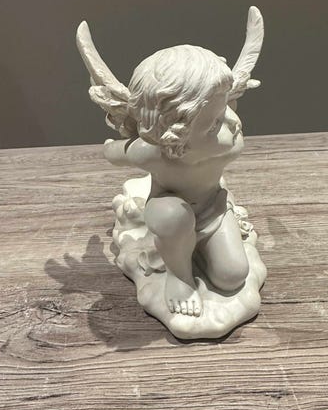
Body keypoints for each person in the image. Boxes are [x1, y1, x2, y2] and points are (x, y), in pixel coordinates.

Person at [102, 45, 249, 317]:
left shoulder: (228, 140)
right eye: (215, 123)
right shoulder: (152, 154)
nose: (233, 123)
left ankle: (207, 238)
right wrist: (112, 144)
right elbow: (113, 153)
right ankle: (179, 276)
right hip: (172, 215)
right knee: (170, 214)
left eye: (229, 107)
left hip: (212, 209)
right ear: (175, 136)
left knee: (232, 276)